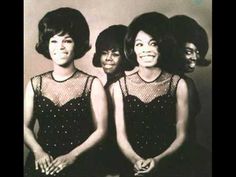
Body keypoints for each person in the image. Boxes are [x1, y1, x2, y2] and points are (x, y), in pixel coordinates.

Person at [24, 7, 108, 177]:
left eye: (67, 40)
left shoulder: (92, 84)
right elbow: (25, 127)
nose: (60, 47)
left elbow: (101, 130)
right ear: (46, 44)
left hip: (82, 164)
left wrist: (72, 156)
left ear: (77, 43)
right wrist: (37, 151)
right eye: (54, 41)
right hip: (43, 165)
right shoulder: (35, 84)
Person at [111, 12, 190, 177]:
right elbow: (121, 135)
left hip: (169, 166)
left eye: (152, 43)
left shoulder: (178, 84)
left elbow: (182, 135)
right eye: (139, 44)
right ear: (132, 48)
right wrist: (136, 161)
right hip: (130, 165)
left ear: (163, 46)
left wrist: (158, 160)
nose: (146, 50)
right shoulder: (120, 86)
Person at [169, 15, 212, 177]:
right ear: (174, 49)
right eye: (188, 51)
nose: (194, 57)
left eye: (197, 52)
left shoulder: (187, 84)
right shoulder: (180, 83)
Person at [92, 25, 133, 176]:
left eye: (115, 54)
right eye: (104, 53)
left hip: (118, 160)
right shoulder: (104, 86)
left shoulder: (124, 87)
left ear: (125, 57)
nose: (108, 58)